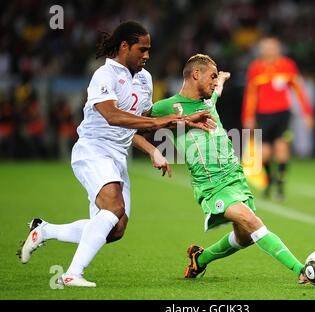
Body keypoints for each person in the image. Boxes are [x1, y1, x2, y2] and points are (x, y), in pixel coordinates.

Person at [17, 21, 214, 287]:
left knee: (114, 229)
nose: (147, 55)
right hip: (93, 149)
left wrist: (154, 147)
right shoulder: (104, 76)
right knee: (113, 208)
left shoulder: (145, 79)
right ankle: (72, 274)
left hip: (118, 156)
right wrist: (164, 121)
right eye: (142, 49)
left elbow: (136, 123)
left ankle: (44, 231)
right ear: (124, 47)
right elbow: (112, 116)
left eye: (149, 50)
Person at [151, 54, 308, 284]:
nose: (214, 82)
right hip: (212, 185)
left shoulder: (207, 101)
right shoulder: (165, 107)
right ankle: (302, 271)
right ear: (196, 74)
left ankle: (200, 259)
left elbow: (217, 92)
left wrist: (221, 79)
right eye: (212, 76)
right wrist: (152, 150)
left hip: (235, 178)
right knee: (253, 222)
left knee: (244, 237)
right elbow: (134, 126)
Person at [241, 37, 314, 200]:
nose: (269, 51)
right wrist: (248, 116)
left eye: (272, 47)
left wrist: (307, 113)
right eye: (266, 48)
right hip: (263, 115)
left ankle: (280, 187)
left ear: (279, 49)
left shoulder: (287, 65)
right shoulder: (256, 68)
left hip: (283, 114)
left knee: (281, 148)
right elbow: (250, 94)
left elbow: (299, 90)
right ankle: (269, 182)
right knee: (265, 153)